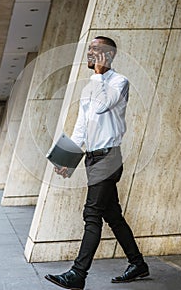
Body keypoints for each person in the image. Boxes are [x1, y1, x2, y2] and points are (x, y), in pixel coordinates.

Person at [45, 36, 149, 289]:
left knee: (92, 214)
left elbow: (103, 106)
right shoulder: (89, 86)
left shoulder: (118, 82)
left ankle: (78, 274)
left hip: (108, 157)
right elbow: (82, 126)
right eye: (89, 49)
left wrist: (100, 75)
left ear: (109, 55)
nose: (90, 53)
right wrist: (68, 160)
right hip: (92, 158)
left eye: (95, 49)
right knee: (112, 215)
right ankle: (138, 264)